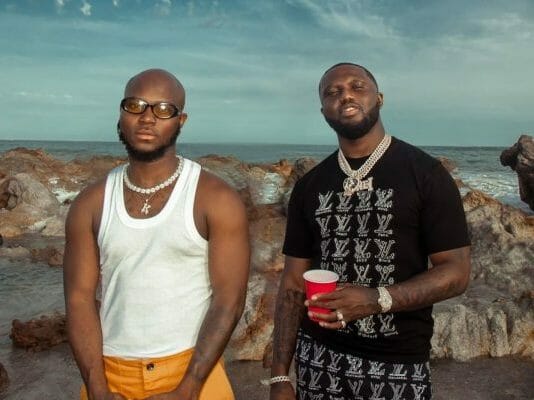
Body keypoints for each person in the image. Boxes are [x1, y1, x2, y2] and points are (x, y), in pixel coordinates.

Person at [269, 63, 471, 400]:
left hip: (398, 364)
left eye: (357, 86)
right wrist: (279, 376)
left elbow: (457, 272)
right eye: (332, 92)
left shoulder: (426, 174)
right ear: (323, 111)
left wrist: (376, 299)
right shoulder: (309, 186)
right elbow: (292, 283)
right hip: (317, 359)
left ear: (379, 98)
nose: (345, 95)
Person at [64, 69, 250, 400]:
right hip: (110, 374)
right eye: (135, 105)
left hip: (194, 371)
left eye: (164, 109)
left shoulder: (215, 198)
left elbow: (229, 299)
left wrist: (189, 387)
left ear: (181, 120)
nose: (147, 118)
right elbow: (79, 299)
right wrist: (96, 387)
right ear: (121, 114)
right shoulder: (90, 203)